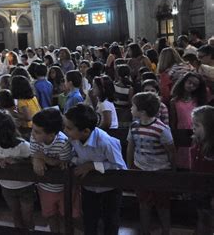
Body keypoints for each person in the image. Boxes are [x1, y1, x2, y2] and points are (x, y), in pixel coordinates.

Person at [64, 104, 127, 235]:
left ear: (86, 131)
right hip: (89, 187)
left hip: (110, 189)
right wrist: (75, 162)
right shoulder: (74, 138)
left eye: (69, 128)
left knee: (110, 221)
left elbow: (120, 167)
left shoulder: (105, 142)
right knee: (89, 221)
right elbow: (75, 156)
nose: (65, 131)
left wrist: (92, 165)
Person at [127, 92, 176, 235]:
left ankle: (166, 230)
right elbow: (131, 147)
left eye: (133, 106)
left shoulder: (161, 128)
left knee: (163, 205)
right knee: (143, 203)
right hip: (140, 168)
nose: (131, 108)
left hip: (160, 170)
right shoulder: (134, 126)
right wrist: (130, 167)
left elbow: (171, 151)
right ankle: (145, 230)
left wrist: (173, 171)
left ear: (142, 111)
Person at [0, 112, 34, 230]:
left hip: (26, 186)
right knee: (16, 215)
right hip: (6, 187)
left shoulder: (22, 146)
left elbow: (34, 160)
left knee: (27, 217)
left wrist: (18, 161)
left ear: (0, 131)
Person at [30, 108, 75, 233]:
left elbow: (63, 165)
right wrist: (37, 159)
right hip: (45, 187)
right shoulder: (34, 138)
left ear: (51, 134)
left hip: (64, 188)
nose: (33, 134)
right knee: (50, 216)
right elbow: (33, 155)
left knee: (69, 215)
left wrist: (43, 158)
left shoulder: (63, 143)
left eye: (37, 132)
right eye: (33, 129)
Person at [170, 72, 207, 169]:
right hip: (181, 132)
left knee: (194, 157)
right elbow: (173, 121)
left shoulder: (198, 100)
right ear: (183, 81)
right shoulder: (175, 101)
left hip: (195, 132)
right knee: (182, 160)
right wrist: (174, 135)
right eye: (189, 82)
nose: (191, 86)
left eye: (195, 85)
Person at [189, 106, 214, 234]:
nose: (193, 128)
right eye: (193, 124)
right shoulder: (197, 143)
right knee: (201, 216)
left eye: (197, 125)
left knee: (209, 219)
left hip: (210, 191)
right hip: (198, 188)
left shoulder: (211, 148)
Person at [11, 75, 41, 139]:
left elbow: (28, 117)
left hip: (27, 128)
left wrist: (15, 114)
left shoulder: (22, 101)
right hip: (36, 124)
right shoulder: (33, 97)